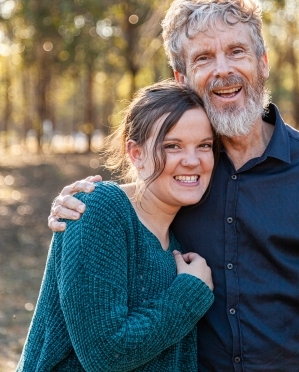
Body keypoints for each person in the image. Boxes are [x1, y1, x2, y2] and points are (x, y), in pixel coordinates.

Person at [49, 0, 299, 372]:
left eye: (236, 51)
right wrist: (76, 204)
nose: (223, 69)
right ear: (181, 77)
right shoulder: (180, 173)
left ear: (263, 62)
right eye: (203, 58)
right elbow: (127, 209)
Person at [18, 81, 216, 371]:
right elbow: (105, 354)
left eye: (204, 146)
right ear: (135, 153)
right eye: (172, 146)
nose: (192, 160)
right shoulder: (99, 208)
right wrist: (189, 294)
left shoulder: (178, 243)